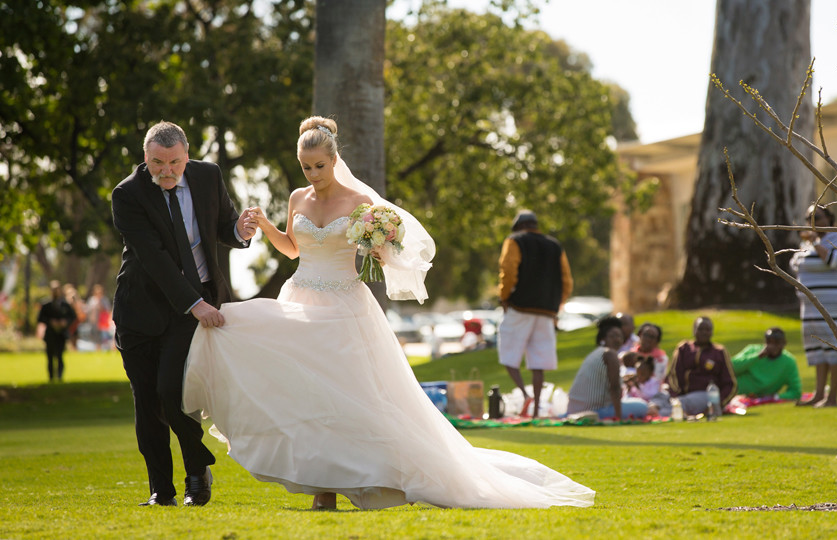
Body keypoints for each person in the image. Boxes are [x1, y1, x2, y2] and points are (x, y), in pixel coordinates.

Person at [182, 116, 594, 511]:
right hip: (300, 299)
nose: (313, 174)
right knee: (301, 391)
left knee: (346, 397)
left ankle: (366, 478)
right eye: (306, 167)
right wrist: (266, 226)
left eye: (319, 166)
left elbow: (381, 254)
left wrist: (379, 247)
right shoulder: (297, 198)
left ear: (334, 159)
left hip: (344, 308)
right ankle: (321, 486)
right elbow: (293, 249)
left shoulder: (360, 202)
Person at [111, 121, 257, 507]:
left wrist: (240, 231)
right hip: (140, 311)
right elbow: (155, 259)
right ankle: (161, 490)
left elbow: (223, 226)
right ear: (145, 158)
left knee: (173, 392)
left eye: (174, 162)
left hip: (190, 312)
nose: (167, 171)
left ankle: (197, 473)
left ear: (187, 156)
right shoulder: (127, 194)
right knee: (148, 403)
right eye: (157, 163)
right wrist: (196, 303)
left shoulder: (208, 177)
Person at [497, 209, 573, 418]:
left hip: (519, 308)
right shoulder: (555, 245)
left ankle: (524, 394)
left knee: (508, 354)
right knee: (539, 362)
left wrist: (504, 297)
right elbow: (567, 280)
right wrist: (556, 304)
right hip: (546, 312)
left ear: (519, 226)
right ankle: (537, 407)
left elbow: (508, 272)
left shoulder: (514, 241)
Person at [791, 204, 837, 408]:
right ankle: (818, 394)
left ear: (829, 219)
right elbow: (794, 264)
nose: (812, 222)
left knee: (833, 346)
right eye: (809, 218)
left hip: (833, 301)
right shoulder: (806, 243)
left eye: (817, 217)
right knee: (817, 347)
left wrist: (816, 242)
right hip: (810, 304)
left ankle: (832, 397)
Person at [566, 316, 654, 420]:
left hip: (575, 409)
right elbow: (615, 388)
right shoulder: (610, 354)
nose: (617, 339)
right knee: (642, 406)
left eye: (620, 336)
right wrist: (618, 417)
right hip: (594, 410)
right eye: (613, 336)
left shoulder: (597, 353)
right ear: (603, 339)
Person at [666, 316, 737, 416]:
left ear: (712, 332)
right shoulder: (684, 348)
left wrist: (717, 404)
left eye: (707, 330)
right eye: (700, 329)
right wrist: (675, 396)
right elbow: (673, 375)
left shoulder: (719, 352)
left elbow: (731, 384)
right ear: (694, 330)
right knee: (660, 399)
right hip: (682, 396)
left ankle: (666, 411)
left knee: (675, 405)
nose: (704, 332)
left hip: (706, 396)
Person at [732, 327, 802, 400]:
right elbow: (730, 368)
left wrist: (775, 397)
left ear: (784, 343)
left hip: (758, 398)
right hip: (733, 393)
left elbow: (795, 392)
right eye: (769, 342)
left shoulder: (789, 362)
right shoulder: (752, 350)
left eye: (776, 342)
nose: (772, 346)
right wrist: (757, 356)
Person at [37, 280, 76, 382]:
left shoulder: (65, 305)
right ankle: (51, 378)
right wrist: (50, 322)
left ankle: (59, 377)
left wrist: (65, 322)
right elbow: (40, 318)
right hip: (50, 334)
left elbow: (72, 316)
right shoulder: (46, 305)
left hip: (61, 334)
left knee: (60, 356)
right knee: (50, 357)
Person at [84, 284, 113, 351]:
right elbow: (88, 310)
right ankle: (97, 348)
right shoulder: (92, 300)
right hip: (94, 321)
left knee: (102, 336)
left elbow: (107, 310)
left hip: (102, 321)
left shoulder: (104, 300)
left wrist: (100, 306)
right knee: (94, 335)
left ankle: (101, 348)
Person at [63, 283, 86, 351]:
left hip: (76, 322)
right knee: (70, 338)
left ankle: (74, 349)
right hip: (69, 323)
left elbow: (81, 312)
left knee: (75, 338)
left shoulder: (77, 302)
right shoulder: (66, 303)